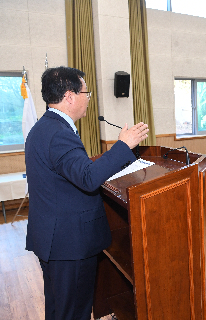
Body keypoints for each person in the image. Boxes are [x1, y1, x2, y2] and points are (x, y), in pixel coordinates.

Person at [25, 67, 149, 320]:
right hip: (68, 243)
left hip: (54, 238)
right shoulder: (59, 133)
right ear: (70, 96)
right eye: (86, 92)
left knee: (59, 310)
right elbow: (88, 178)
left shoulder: (45, 127)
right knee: (73, 313)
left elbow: (74, 172)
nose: (88, 98)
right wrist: (124, 145)